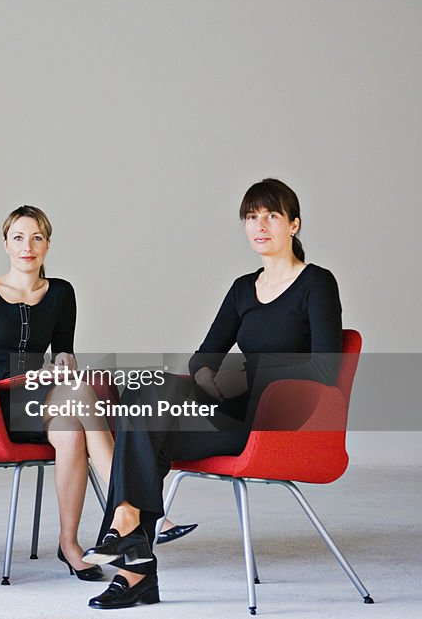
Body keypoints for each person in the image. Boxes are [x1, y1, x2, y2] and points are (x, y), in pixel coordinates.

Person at [82, 178, 343, 609]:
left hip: (270, 425)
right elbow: (202, 358)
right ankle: (128, 533)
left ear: (293, 225)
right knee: (145, 392)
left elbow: (326, 367)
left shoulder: (317, 283)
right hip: (227, 414)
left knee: (147, 430)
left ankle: (130, 555)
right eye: (251, 217)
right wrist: (210, 381)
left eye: (272, 215)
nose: (260, 225)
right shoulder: (244, 288)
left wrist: (247, 372)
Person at [0, 205, 194, 583]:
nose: (27, 246)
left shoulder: (62, 293)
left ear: (48, 244)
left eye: (36, 238)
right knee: (80, 394)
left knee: (70, 433)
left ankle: (70, 546)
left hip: (48, 399)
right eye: (18, 237)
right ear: (5, 243)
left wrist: (63, 360)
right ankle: (142, 511)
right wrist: (29, 372)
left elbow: (64, 350)